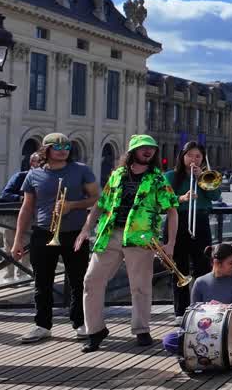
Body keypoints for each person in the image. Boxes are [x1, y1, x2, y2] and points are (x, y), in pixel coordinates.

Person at [75, 134, 179, 353]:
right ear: (133, 150)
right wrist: (86, 229)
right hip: (110, 234)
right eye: (143, 148)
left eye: (151, 148)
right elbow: (100, 204)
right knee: (91, 280)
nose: (148, 151)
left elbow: (172, 210)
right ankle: (95, 330)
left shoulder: (158, 178)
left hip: (141, 237)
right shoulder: (118, 175)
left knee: (140, 286)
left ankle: (141, 329)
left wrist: (170, 243)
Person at [10, 134, 99, 343]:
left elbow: (97, 198)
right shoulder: (34, 175)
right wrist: (17, 240)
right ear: (46, 150)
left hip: (75, 232)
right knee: (42, 281)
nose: (63, 150)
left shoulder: (81, 169)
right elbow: (27, 207)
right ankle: (42, 325)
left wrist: (72, 205)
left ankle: (80, 323)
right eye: (57, 146)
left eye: (66, 146)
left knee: (78, 280)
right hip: (43, 232)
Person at [162, 242, 232, 357]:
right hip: (205, 330)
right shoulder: (200, 282)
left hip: (231, 328)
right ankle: (222, 347)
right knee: (168, 340)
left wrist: (219, 308)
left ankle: (204, 348)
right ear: (217, 263)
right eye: (231, 263)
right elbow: (194, 313)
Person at [165, 142, 222, 324]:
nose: (194, 160)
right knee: (178, 268)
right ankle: (180, 312)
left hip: (200, 221)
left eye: (198, 156)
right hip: (177, 221)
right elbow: (162, 200)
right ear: (182, 157)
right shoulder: (171, 176)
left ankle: (203, 307)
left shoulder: (207, 177)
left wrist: (202, 179)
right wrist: (182, 198)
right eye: (190, 155)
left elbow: (215, 196)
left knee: (203, 266)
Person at [0, 152, 40, 283]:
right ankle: (9, 275)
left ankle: (23, 273)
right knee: (10, 245)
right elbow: (5, 194)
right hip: (13, 216)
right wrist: (22, 198)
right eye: (40, 162)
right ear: (32, 163)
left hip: (32, 216)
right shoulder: (20, 176)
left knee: (28, 245)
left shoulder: (47, 178)